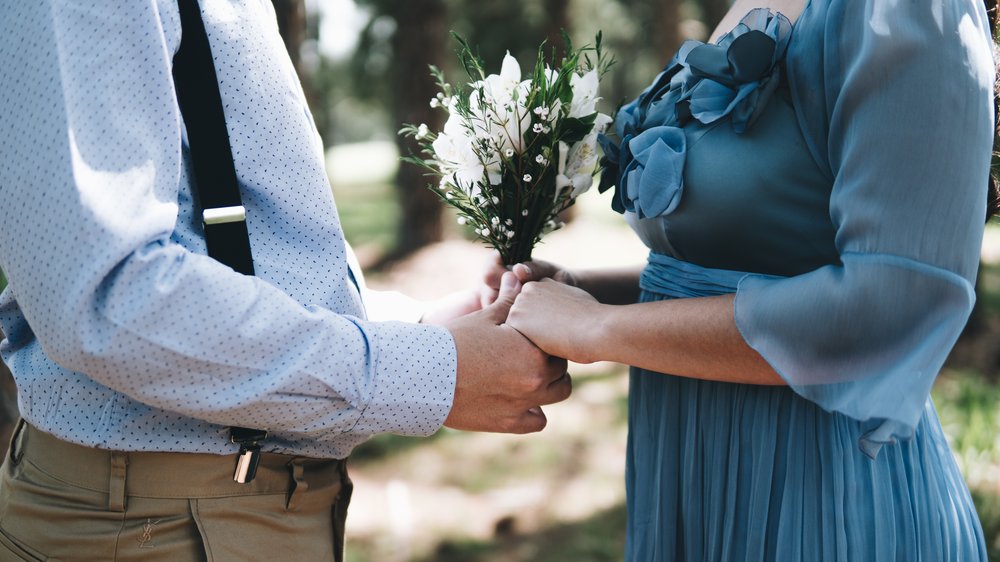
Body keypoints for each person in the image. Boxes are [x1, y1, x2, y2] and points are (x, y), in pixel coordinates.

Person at [0, 1, 570, 561]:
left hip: (227, 510)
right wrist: (426, 372)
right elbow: (105, 295)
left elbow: (240, 250)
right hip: (158, 524)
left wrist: (422, 327)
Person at [488, 0, 997, 559]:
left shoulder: (907, 12)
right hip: (685, 478)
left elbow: (884, 309)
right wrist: (580, 286)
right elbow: (732, 270)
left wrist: (599, 329)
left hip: (819, 492)